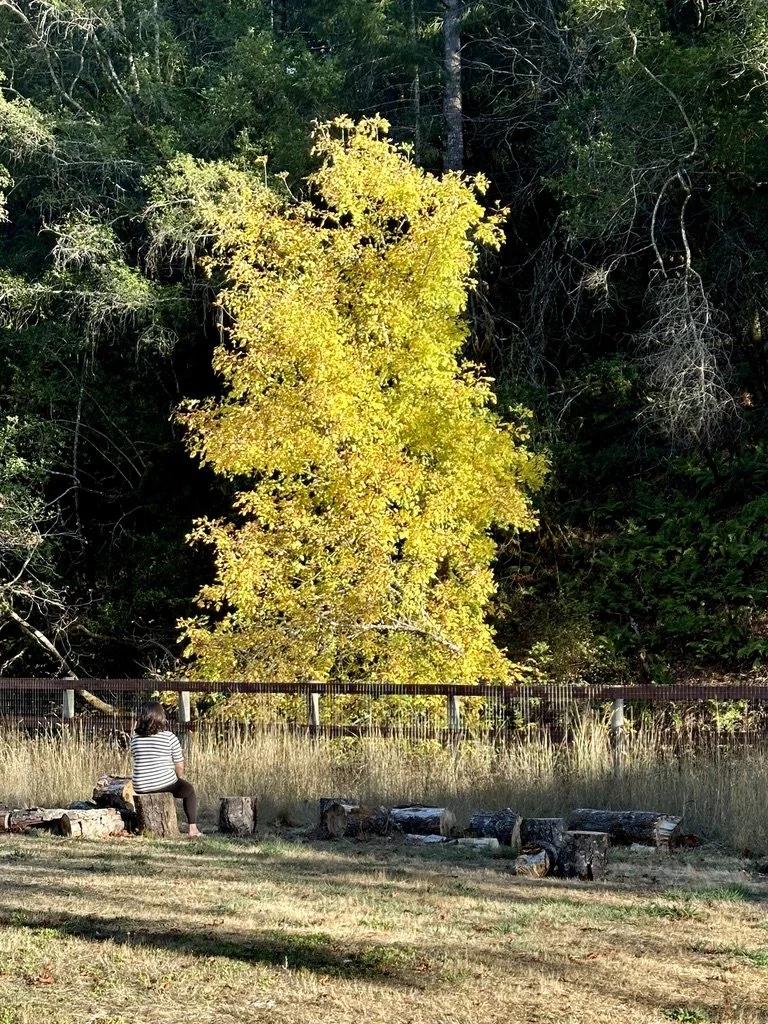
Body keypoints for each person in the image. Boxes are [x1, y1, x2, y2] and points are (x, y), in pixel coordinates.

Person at [130, 700, 202, 837]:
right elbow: (179, 765)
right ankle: (193, 829)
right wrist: (178, 778)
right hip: (164, 782)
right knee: (189, 790)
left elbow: (137, 758)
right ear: (160, 717)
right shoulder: (169, 737)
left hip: (140, 785)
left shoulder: (135, 739)